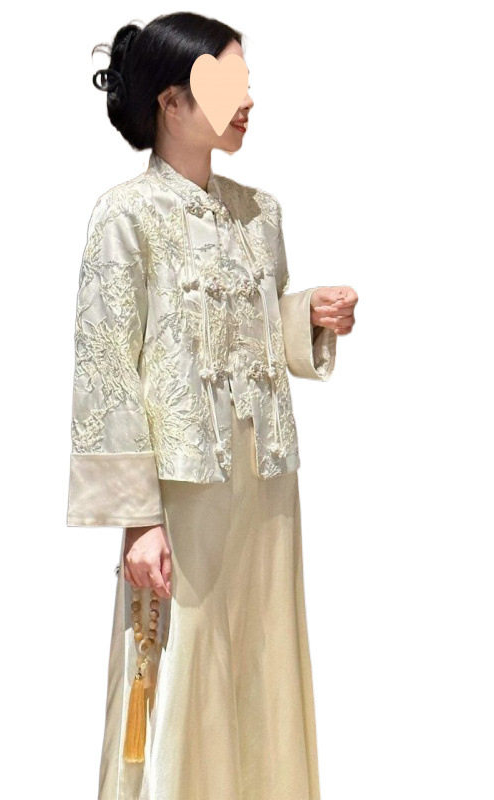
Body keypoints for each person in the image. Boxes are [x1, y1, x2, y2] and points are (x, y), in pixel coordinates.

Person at [66, 12, 358, 800]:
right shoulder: (126, 216)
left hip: (265, 483)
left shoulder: (261, 213)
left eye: (245, 81)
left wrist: (304, 317)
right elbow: (107, 367)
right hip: (183, 491)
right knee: (179, 662)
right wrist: (139, 518)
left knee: (263, 653)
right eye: (225, 82)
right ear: (171, 100)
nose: (247, 99)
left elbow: (242, 336)